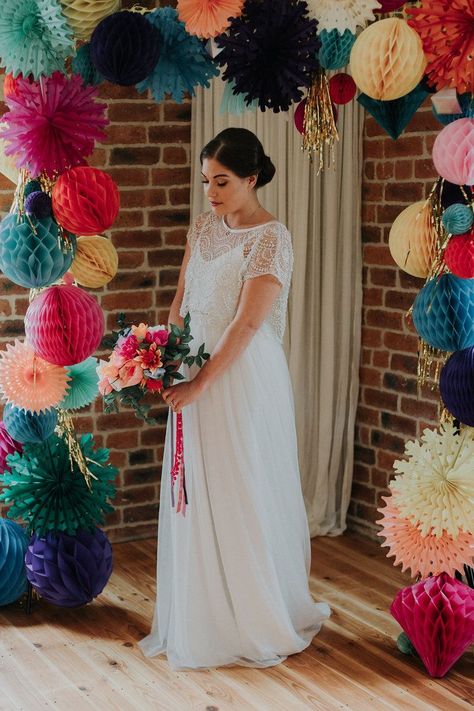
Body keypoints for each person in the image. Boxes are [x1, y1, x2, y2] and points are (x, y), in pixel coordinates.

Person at [139, 127, 330, 670]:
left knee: (238, 484)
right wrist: (165, 354)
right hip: (193, 364)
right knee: (196, 487)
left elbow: (248, 323)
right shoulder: (203, 228)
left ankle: (251, 614)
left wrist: (202, 382)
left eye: (221, 181)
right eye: (206, 182)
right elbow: (182, 297)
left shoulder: (273, 237)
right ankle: (202, 611)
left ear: (251, 177)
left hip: (239, 375)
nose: (212, 193)